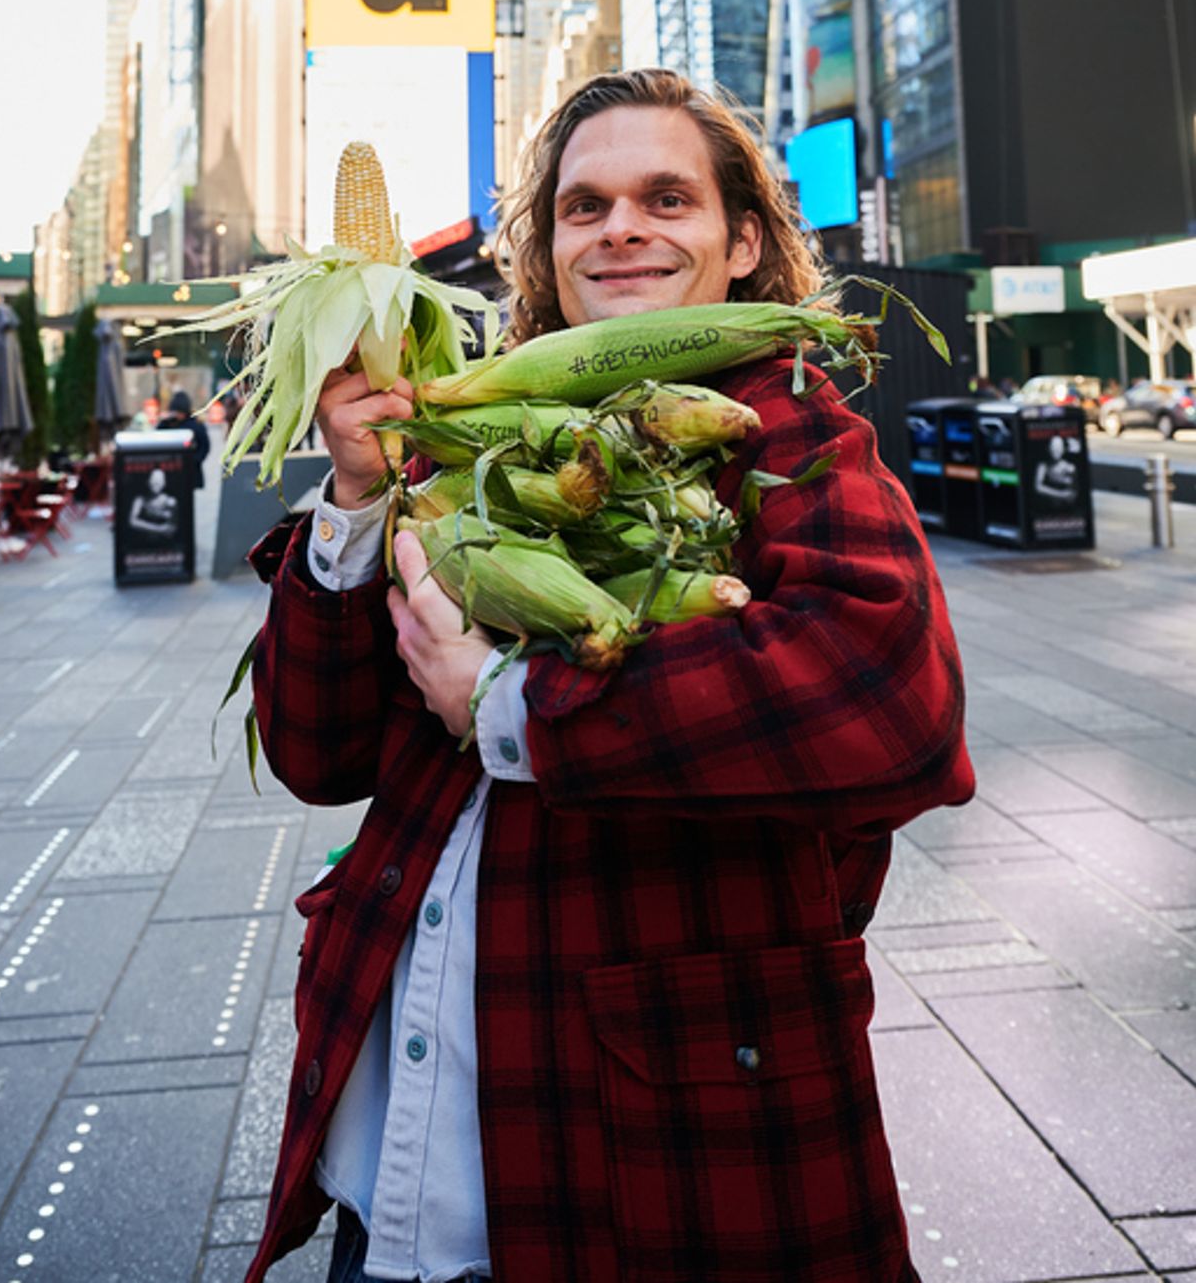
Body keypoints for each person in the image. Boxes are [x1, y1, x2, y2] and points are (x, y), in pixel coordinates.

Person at [243, 69, 974, 1283]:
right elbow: (317, 755)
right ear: (545, 249)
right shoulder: (471, 434)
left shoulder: (783, 428)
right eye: (582, 205)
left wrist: (517, 710)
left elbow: (892, 701)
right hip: (391, 1182)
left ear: (743, 243)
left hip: (653, 1173)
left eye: (665, 198)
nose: (620, 226)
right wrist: (358, 498)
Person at [158, 387, 210, 488]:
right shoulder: (169, 423)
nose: (178, 415)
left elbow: (204, 446)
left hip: (191, 469)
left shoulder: (195, 425)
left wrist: (195, 460)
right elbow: (158, 436)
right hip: (171, 469)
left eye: (180, 412)